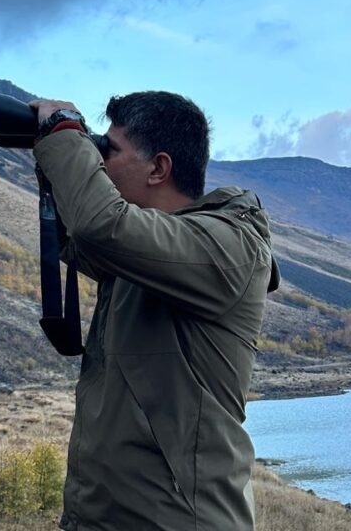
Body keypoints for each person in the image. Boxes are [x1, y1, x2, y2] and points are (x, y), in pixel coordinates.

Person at [30, 92, 280, 531]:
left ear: (158, 168)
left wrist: (65, 134)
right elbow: (78, 238)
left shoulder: (226, 247)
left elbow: (100, 224)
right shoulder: (143, 255)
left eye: (109, 151)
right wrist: (55, 160)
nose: (100, 162)